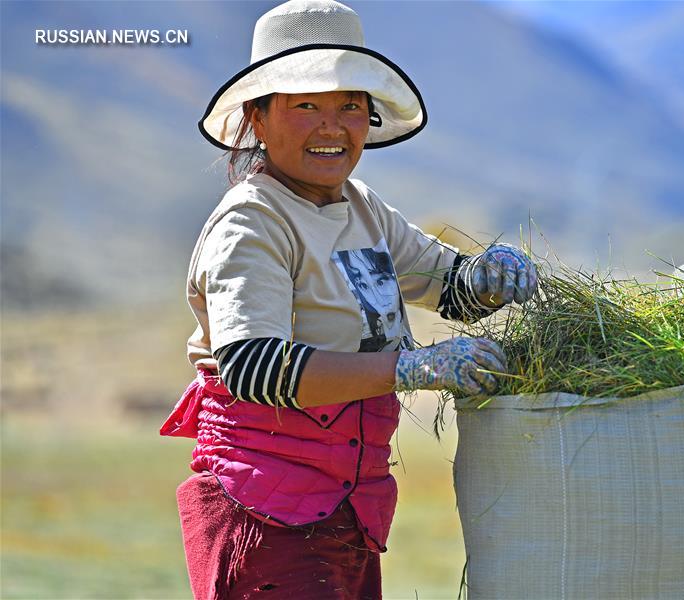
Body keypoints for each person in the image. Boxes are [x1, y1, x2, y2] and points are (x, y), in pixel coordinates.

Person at [159, 1, 538, 599]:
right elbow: (253, 367)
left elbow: (449, 286)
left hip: (345, 506)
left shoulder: (362, 208)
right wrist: (411, 368)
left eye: (349, 105)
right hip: (266, 505)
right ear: (257, 118)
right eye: (305, 105)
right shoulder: (251, 222)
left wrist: (491, 274)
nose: (331, 126)